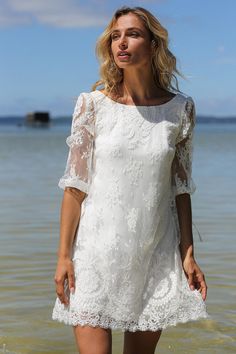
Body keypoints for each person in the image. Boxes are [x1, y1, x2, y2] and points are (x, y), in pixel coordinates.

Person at [52, 6, 208, 354]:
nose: (121, 43)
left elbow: (181, 188)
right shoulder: (91, 106)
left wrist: (188, 253)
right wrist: (64, 255)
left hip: (154, 254)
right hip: (94, 254)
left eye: (133, 34)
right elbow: (74, 187)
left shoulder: (180, 110)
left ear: (154, 45)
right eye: (115, 36)